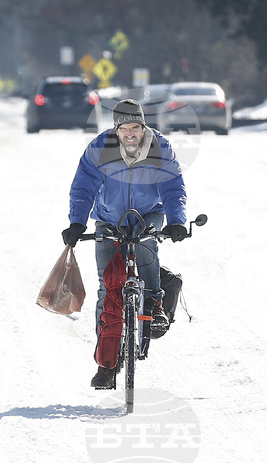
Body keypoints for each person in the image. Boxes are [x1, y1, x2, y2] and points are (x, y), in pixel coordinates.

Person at [62, 99, 189, 390]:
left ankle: (155, 302)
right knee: (108, 287)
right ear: (116, 129)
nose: (130, 133)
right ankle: (106, 366)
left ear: (143, 127)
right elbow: (83, 187)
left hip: (148, 216)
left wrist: (177, 220)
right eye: (124, 128)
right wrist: (77, 223)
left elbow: (173, 186)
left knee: (144, 250)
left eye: (136, 127)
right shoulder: (100, 147)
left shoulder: (159, 147)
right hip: (109, 220)